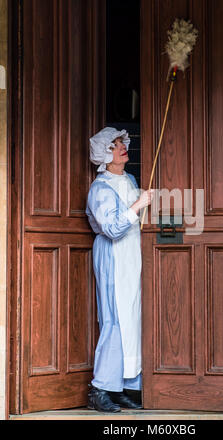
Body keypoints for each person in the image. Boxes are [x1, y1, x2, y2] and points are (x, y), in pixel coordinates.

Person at [85, 127, 154, 412]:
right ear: (104, 154)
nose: (121, 147)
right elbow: (112, 229)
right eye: (113, 146)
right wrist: (138, 204)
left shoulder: (129, 178)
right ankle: (100, 387)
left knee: (133, 318)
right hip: (114, 257)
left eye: (120, 143)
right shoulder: (100, 188)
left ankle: (125, 386)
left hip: (131, 256)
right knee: (115, 320)